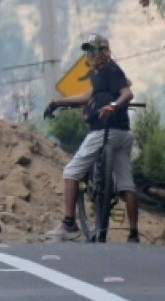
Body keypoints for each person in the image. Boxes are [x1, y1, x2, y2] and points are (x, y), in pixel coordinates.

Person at [46, 34, 140, 243]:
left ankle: (69, 223)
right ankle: (133, 234)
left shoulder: (111, 69)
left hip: (105, 131)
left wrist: (112, 106)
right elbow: (88, 96)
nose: (89, 54)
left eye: (94, 50)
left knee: (71, 171)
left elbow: (127, 93)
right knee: (126, 185)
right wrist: (58, 102)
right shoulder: (98, 74)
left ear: (104, 51)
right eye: (88, 50)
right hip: (123, 133)